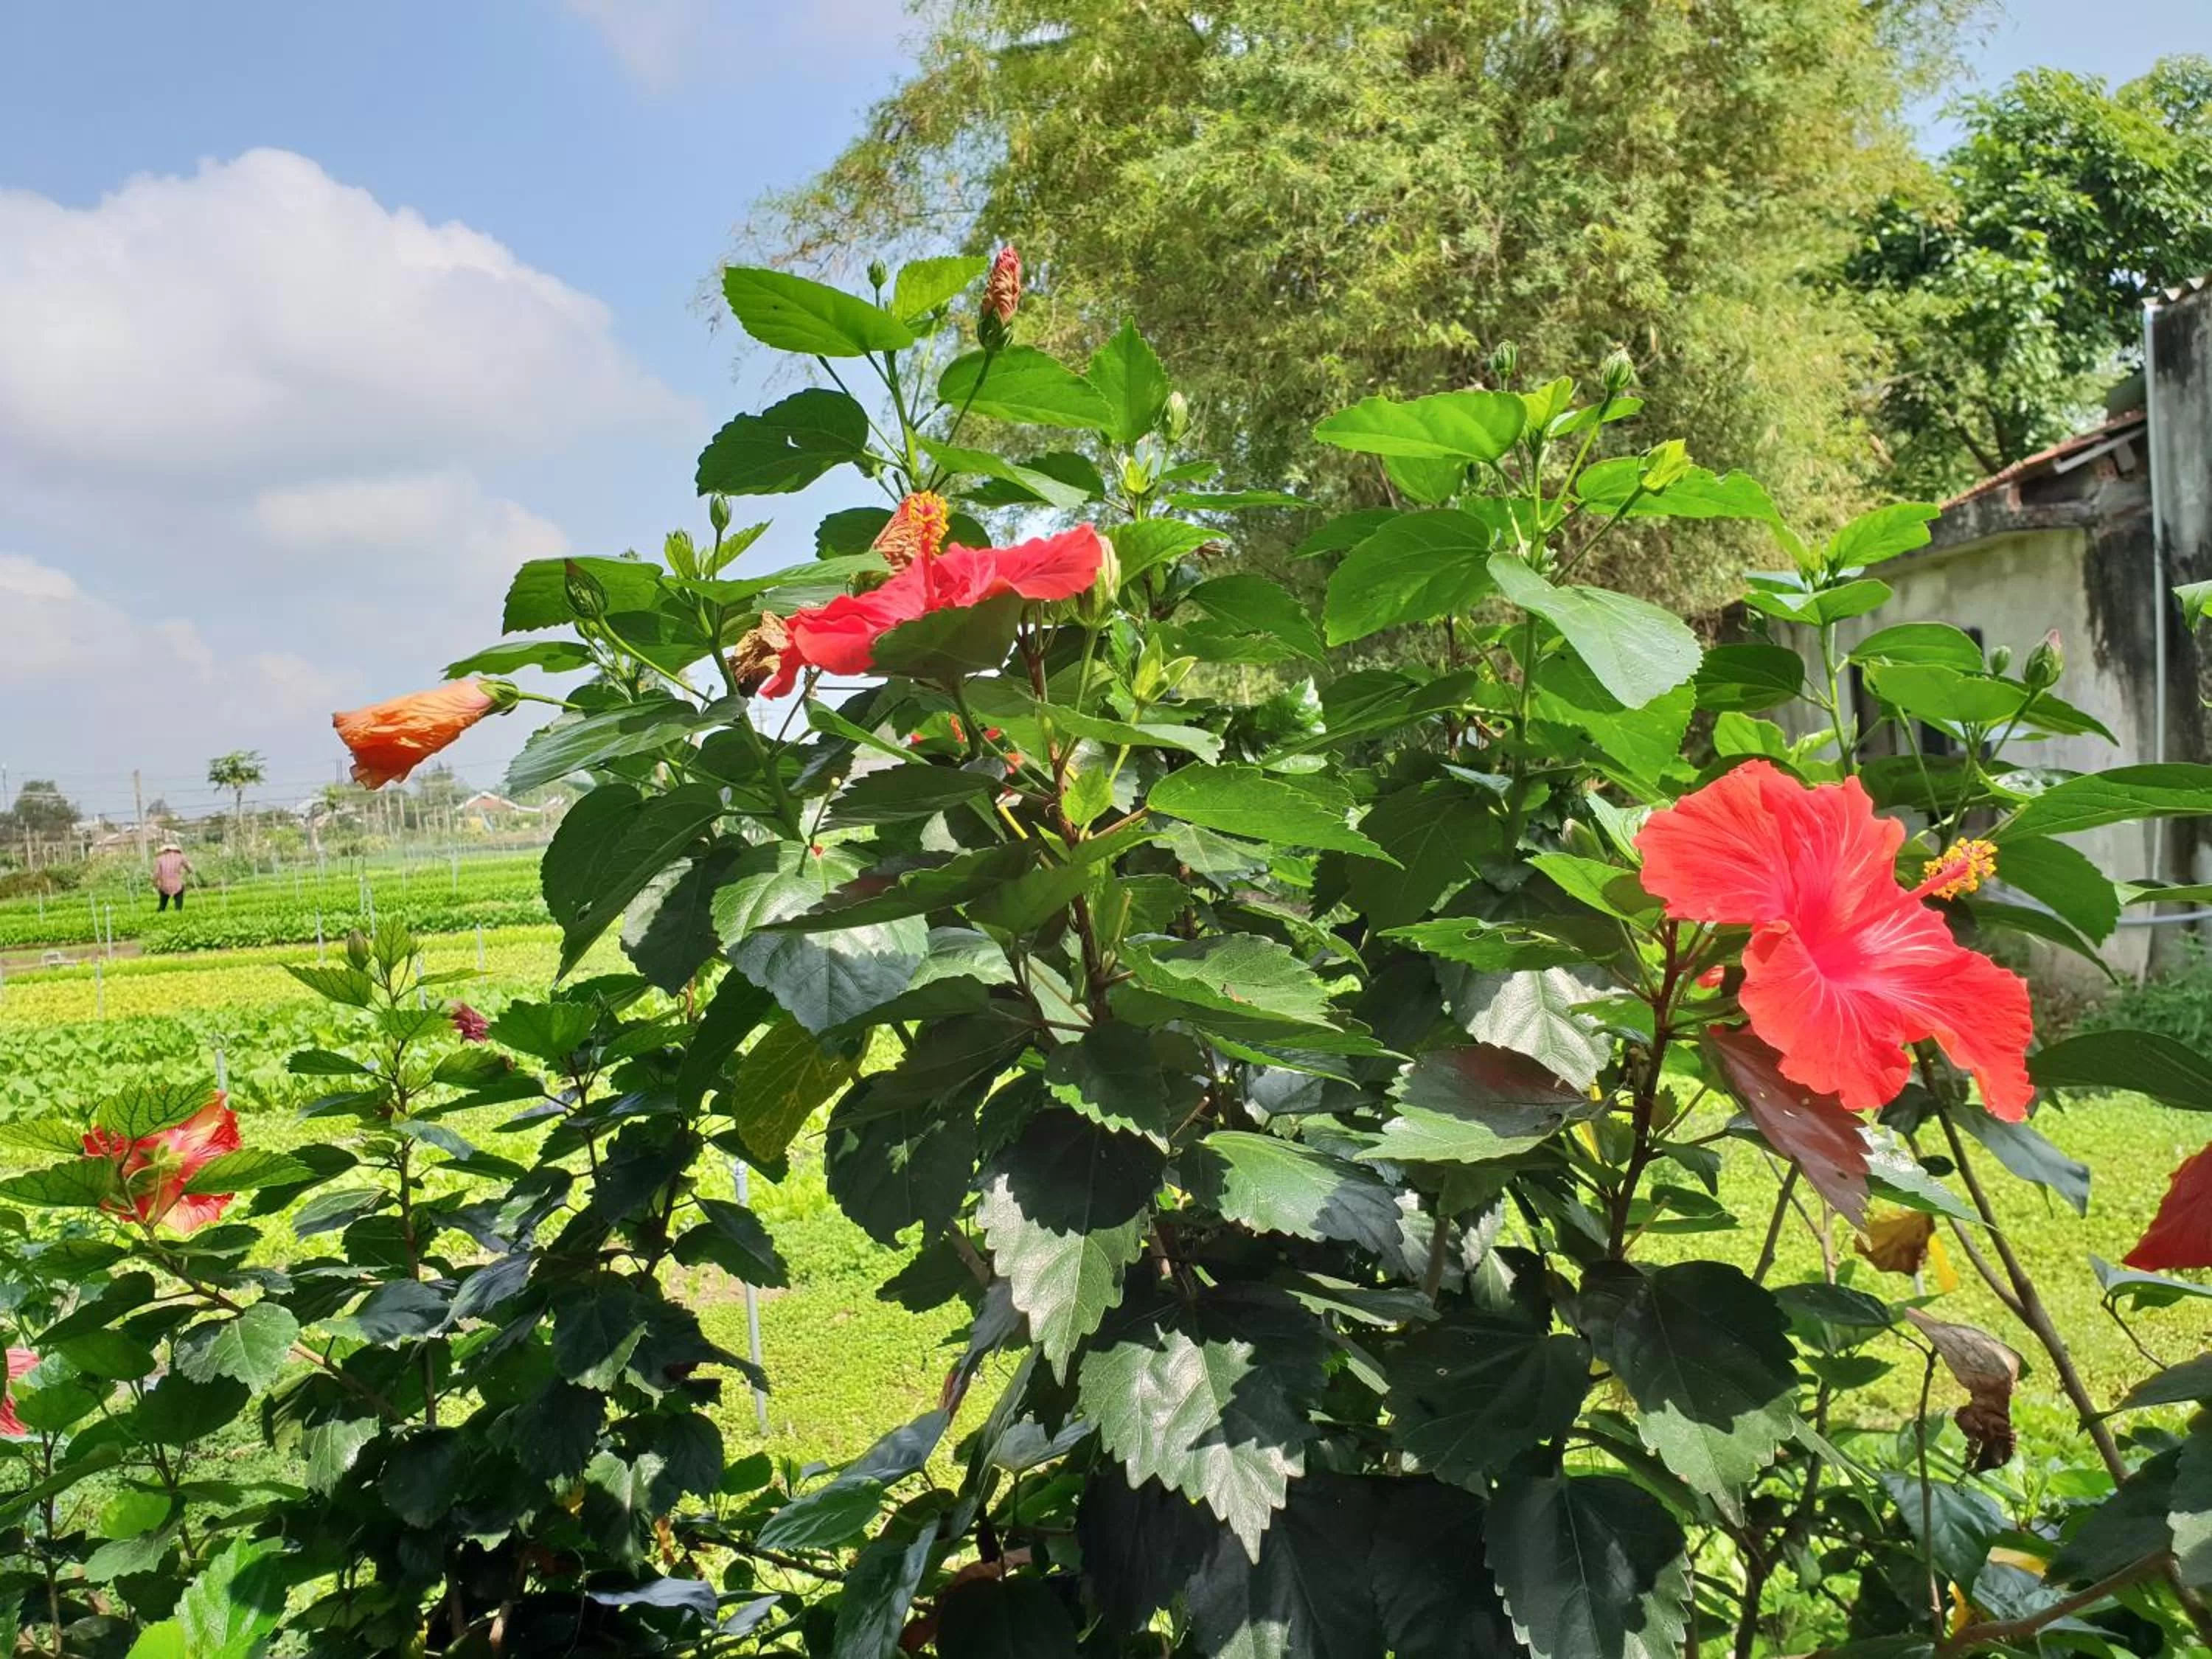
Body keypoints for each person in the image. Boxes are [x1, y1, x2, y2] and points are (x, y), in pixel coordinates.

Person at [152, 843, 193, 911]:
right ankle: (178, 912)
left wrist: (155, 883)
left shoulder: (160, 859)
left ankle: (160, 912)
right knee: (179, 904)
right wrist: (190, 872)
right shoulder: (180, 857)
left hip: (164, 885)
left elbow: (156, 873)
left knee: (162, 905)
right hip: (177, 885)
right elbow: (189, 868)